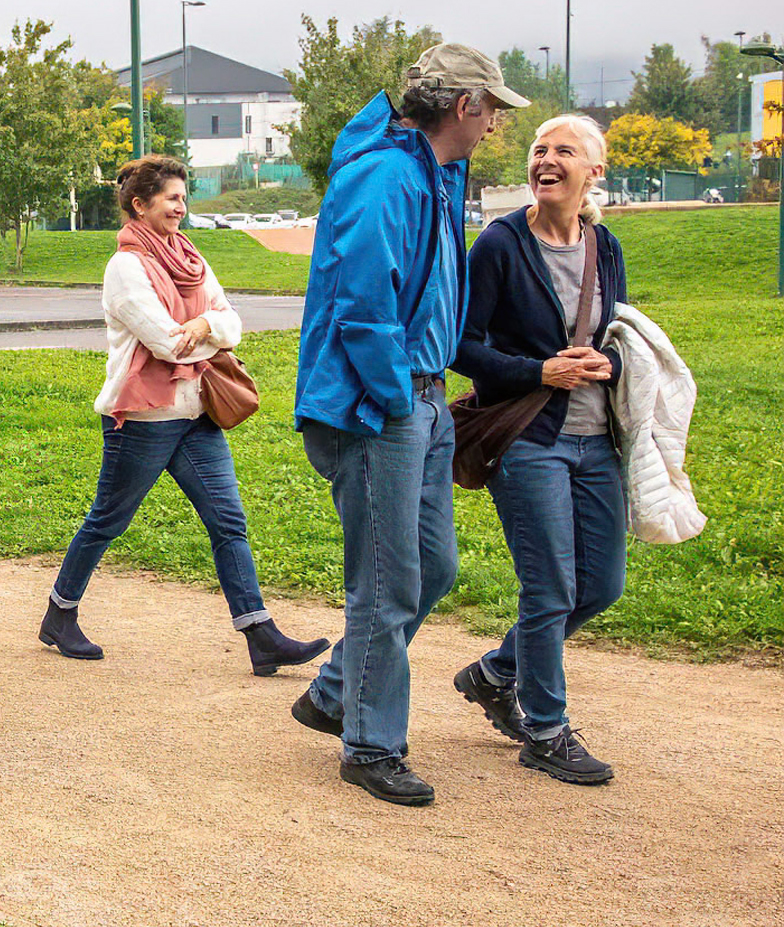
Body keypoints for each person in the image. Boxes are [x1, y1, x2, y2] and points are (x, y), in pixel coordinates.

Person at [290, 43, 526, 806]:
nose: (495, 124)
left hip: (416, 402)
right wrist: (400, 400)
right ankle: (369, 745)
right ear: (464, 106)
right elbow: (363, 313)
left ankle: (335, 695)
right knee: (387, 584)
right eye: (492, 108)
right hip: (377, 407)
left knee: (432, 569)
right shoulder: (387, 176)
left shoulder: (432, 171)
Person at [40, 156, 326, 674]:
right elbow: (167, 344)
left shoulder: (189, 256)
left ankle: (261, 637)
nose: (181, 206)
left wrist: (207, 328)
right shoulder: (125, 267)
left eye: (183, 197)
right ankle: (60, 616)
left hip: (196, 414)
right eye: (172, 198)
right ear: (140, 204)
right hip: (145, 419)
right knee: (109, 520)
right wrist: (202, 328)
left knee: (229, 523)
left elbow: (232, 322)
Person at [449, 114, 626, 786]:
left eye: (564, 151)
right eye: (538, 149)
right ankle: (546, 732)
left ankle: (495, 673)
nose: (547, 160)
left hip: (594, 440)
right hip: (527, 438)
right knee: (549, 587)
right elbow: (459, 345)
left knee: (601, 585)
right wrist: (538, 372)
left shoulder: (603, 246)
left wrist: (605, 362)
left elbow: (615, 332)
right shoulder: (498, 244)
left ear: (593, 172)